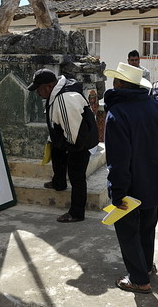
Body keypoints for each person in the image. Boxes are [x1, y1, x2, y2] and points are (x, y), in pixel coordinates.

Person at [103, 62, 158, 294]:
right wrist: (156, 167)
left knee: (129, 233)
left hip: (129, 187)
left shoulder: (117, 113)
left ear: (119, 84)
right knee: (147, 228)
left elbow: (118, 160)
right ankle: (146, 267)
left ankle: (139, 280)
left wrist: (117, 192)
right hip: (154, 183)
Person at [27, 68, 98, 223]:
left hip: (79, 143)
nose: (38, 93)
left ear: (48, 86)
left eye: (39, 89)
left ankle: (76, 213)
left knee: (76, 176)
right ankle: (59, 182)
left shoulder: (64, 99)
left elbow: (74, 132)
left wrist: (70, 148)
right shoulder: (56, 93)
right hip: (69, 137)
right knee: (57, 152)